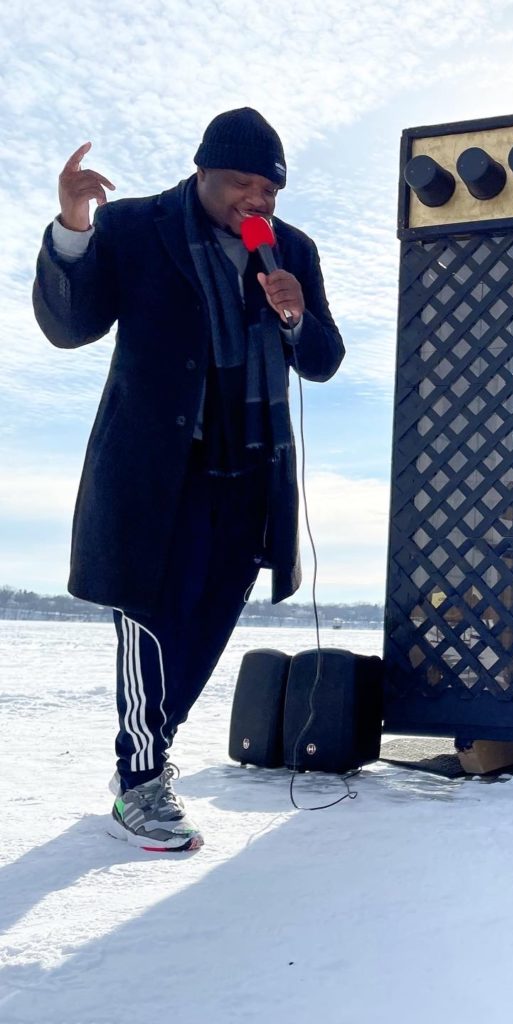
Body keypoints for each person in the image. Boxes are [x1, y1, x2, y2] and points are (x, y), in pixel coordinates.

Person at [33, 108, 345, 852]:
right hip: (153, 471)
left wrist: (297, 318)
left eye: (269, 187)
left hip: (249, 471)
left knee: (206, 623)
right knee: (149, 612)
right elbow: (69, 324)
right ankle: (140, 777)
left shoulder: (291, 248)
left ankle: (150, 750)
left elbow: (324, 359)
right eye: (242, 183)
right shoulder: (136, 228)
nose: (257, 200)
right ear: (203, 171)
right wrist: (74, 228)